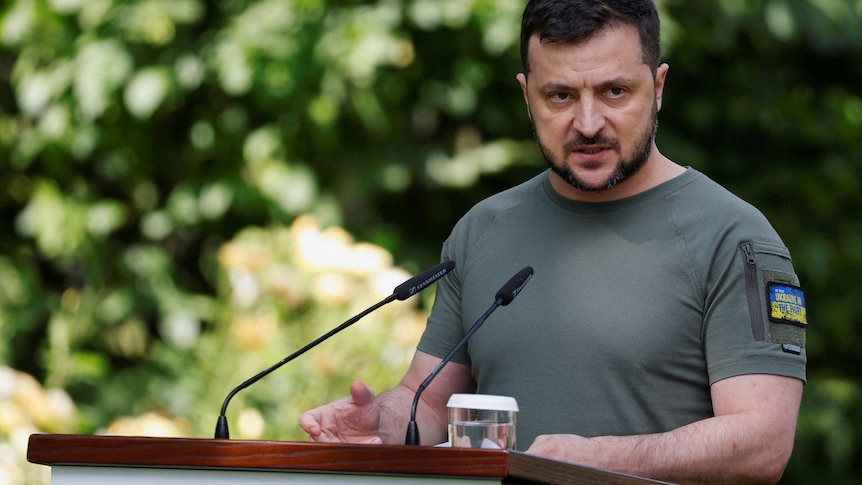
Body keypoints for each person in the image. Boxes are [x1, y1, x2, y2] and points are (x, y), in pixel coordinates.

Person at [299, 1, 807, 483]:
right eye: (560, 95)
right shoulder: (483, 228)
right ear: (526, 95)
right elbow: (428, 402)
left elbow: (764, 443)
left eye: (614, 92)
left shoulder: (733, 236)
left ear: (657, 87)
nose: (588, 124)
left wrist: (591, 461)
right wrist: (380, 428)